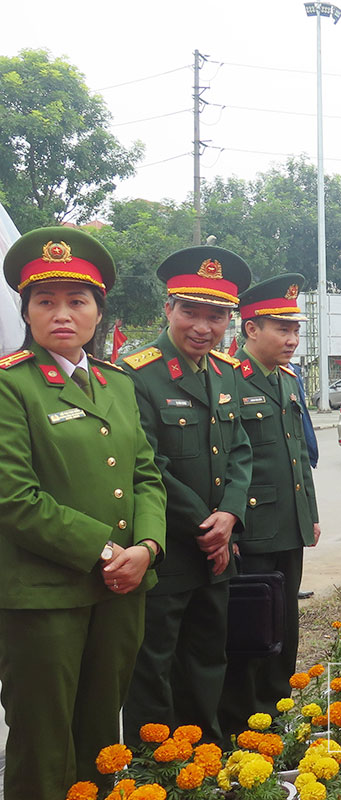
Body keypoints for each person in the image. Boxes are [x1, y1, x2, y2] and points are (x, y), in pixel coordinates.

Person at [0, 227, 166, 800]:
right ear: (27, 311)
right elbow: (12, 498)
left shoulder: (115, 384)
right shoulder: (9, 385)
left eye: (78, 301)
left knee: (102, 735)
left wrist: (147, 549)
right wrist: (105, 550)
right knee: (43, 741)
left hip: (122, 590)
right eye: (45, 301)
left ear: (99, 312)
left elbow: (146, 474)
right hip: (44, 596)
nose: (62, 314)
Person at [121, 246, 253, 744]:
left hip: (216, 548)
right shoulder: (137, 373)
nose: (203, 326)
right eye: (190, 312)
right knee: (153, 665)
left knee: (207, 655)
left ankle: (205, 755)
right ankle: (153, 767)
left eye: (216, 315)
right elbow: (149, 464)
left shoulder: (223, 372)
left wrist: (230, 518)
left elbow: (240, 451)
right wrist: (209, 526)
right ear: (168, 310)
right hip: (167, 547)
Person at [218, 274, 320, 733]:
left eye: (296, 330)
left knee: (285, 624)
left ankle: (278, 709)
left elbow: (298, 453)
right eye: (282, 328)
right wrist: (232, 527)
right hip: (251, 528)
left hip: (288, 524)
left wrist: (310, 516)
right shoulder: (227, 378)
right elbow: (225, 462)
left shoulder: (287, 379)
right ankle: (246, 719)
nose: (292, 339)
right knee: (250, 627)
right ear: (251, 328)